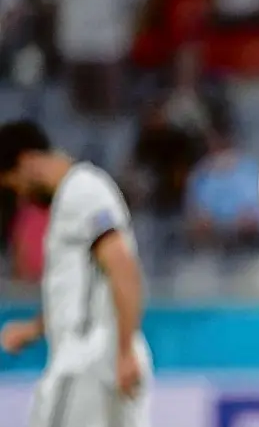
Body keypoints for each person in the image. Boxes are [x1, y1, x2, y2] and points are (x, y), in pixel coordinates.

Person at [0, 120, 152, 427]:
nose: (21, 196)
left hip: (87, 363)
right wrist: (34, 329)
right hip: (101, 359)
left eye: (15, 184)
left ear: (27, 162)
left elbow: (122, 265)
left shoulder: (82, 191)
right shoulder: (73, 198)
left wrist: (124, 349)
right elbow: (80, 294)